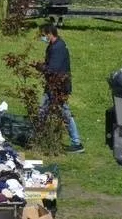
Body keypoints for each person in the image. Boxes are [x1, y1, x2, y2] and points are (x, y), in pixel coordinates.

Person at [38, 24, 84, 153]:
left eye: (43, 34)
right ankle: (38, 136)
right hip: (53, 85)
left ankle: (77, 143)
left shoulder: (58, 48)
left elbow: (53, 69)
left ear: (49, 34)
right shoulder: (54, 46)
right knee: (43, 110)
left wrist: (40, 67)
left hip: (58, 87)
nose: (42, 37)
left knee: (64, 113)